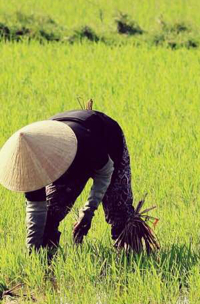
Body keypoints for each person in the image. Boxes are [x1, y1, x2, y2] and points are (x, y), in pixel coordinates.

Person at [0, 107, 135, 251]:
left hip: (105, 142)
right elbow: (36, 209)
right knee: (49, 216)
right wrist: (32, 251)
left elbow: (105, 172)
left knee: (119, 211)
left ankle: (129, 255)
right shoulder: (32, 162)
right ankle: (46, 258)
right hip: (69, 153)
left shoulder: (86, 142)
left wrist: (88, 211)